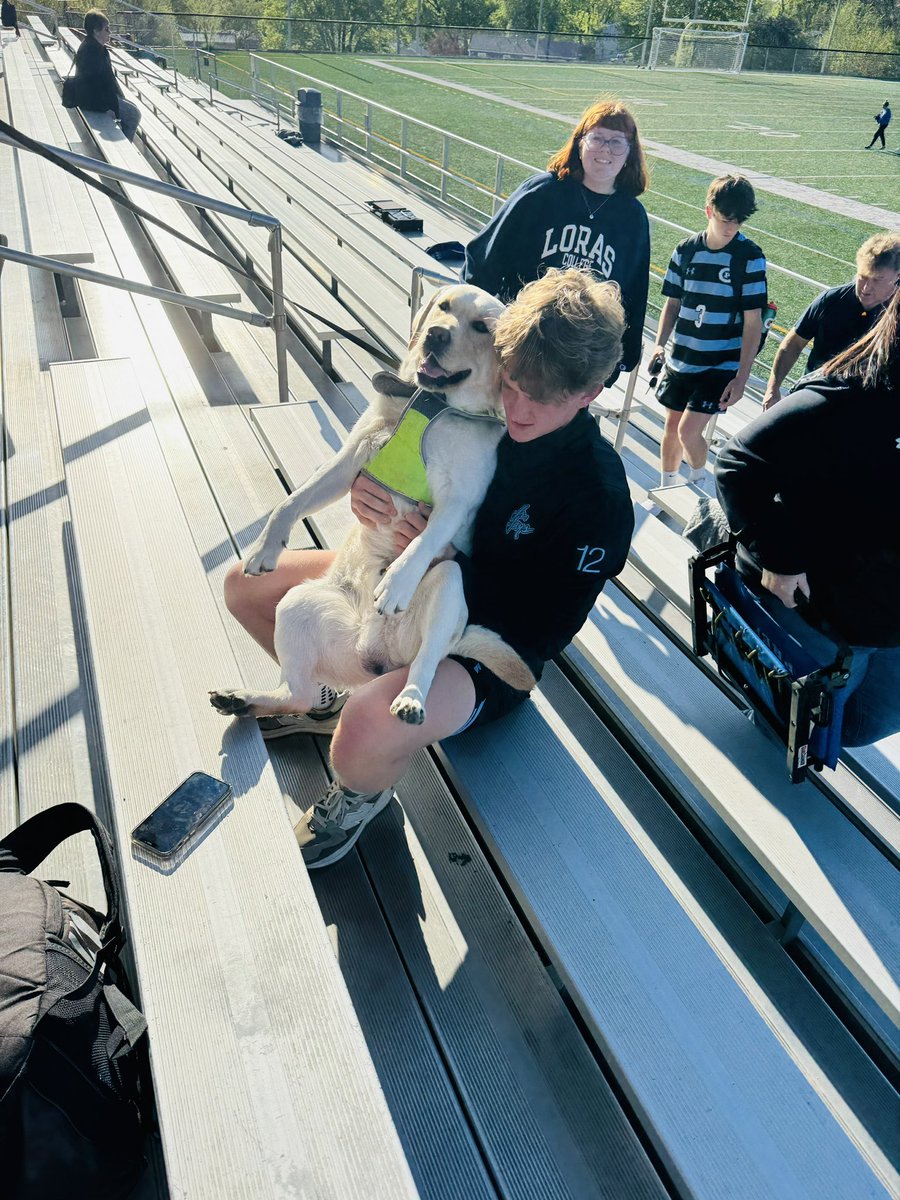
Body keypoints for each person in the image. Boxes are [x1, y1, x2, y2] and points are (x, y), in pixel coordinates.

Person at [223, 269, 635, 870]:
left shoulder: (596, 495)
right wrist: (370, 496)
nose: (517, 407)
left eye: (540, 399)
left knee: (363, 730)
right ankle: (322, 697)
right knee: (245, 587)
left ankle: (362, 793)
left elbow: (547, 627)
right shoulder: (458, 396)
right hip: (394, 570)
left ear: (589, 393)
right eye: (512, 383)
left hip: (484, 641)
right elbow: (384, 470)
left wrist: (449, 560)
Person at [715, 289, 900, 749]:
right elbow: (738, 461)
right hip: (827, 617)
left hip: (890, 626)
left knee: (861, 727)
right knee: (799, 729)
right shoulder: (854, 394)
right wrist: (778, 557)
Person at [461, 99, 651, 384]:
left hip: (580, 361)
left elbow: (633, 293)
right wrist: (472, 321)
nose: (605, 150)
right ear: (579, 142)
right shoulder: (541, 193)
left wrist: (619, 359)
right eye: (597, 138)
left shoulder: (632, 217)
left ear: (630, 153)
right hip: (522, 345)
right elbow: (486, 253)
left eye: (617, 142)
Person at [649, 174, 767, 490]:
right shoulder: (684, 251)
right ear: (708, 211)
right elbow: (672, 305)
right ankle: (668, 488)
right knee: (672, 427)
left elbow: (753, 323)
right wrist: (659, 345)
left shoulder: (750, 257)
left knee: (688, 431)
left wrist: (741, 378)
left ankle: (699, 485)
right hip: (682, 357)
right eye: (725, 219)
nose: (731, 227)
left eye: (738, 222)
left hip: (720, 364)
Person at [762, 232, 900, 408]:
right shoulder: (831, 299)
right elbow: (793, 343)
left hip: (864, 412)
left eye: (877, 280)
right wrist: (773, 389)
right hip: (814, 398)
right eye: (862, 276)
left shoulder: (896, 315)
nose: (866, 288)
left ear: (897, 276)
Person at [72, 10, 141, 142]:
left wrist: (120, 98)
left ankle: (125, 143)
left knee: (133, 109)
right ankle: (125, 148)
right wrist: (107, 107)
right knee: (133, 115)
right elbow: (93, 85)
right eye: (106, 29)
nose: (109, 32)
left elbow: (109, 80)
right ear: (96, 31)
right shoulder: (91, 52)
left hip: (98, 97)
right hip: (92, 100)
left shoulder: (97, 48)